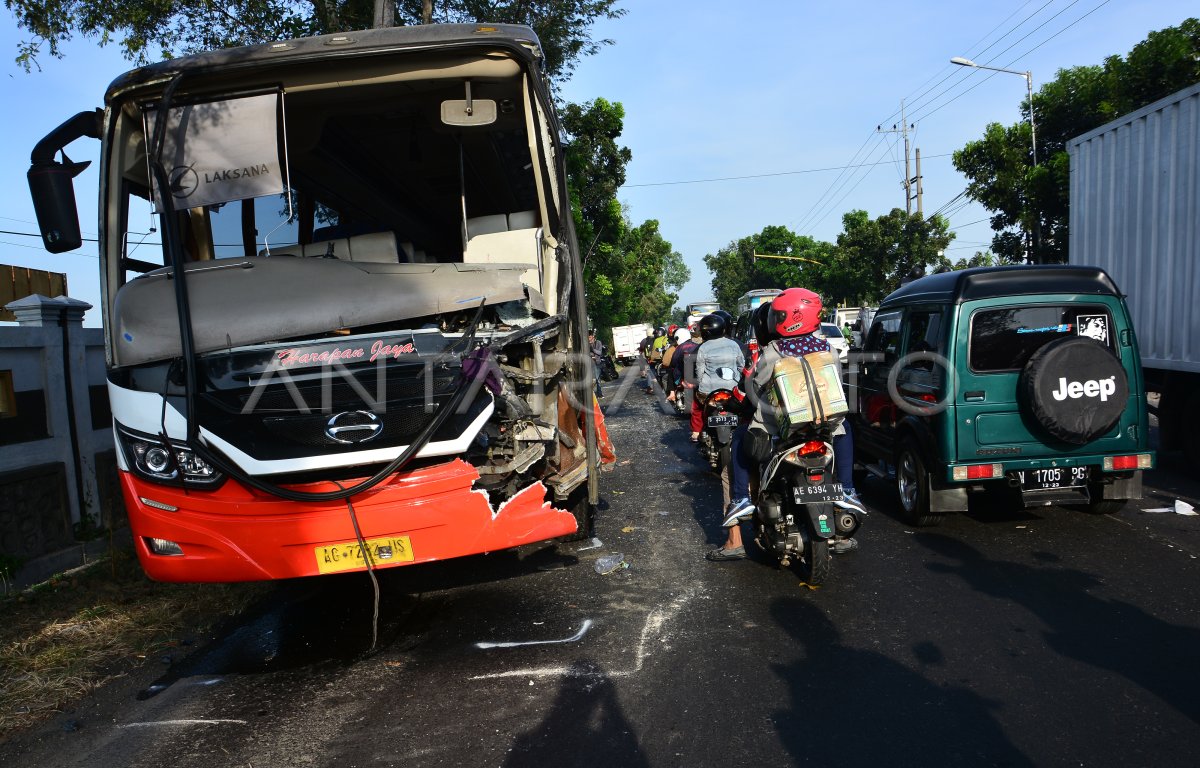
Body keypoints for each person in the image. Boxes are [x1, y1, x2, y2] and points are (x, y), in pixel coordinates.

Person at [708, 288, 864, 562]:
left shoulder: (772, 352)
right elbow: (835, 383)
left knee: (740, 443)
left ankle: (741, 502)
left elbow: (753, 389)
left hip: (779, 430)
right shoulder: (828, 348)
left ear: (790, 318)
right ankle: (848, 490)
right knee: (845, 428)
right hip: (824, 427)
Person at [690, 312, 744, 442]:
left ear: (705, 333)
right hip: (732, 389)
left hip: (708, 390)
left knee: (696, 406)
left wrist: (699, 383)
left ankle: (696, 432)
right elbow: (741, 366)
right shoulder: (734, 344)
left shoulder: (703, 347)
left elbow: (700, 371)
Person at [588, 329, 606, 398]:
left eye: (589, 337)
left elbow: (599, 352)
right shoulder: (586, 344)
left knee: (598, 380)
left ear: (593, 336)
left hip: (597, 363)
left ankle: (599, 394)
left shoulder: (598, 343)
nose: (588, 339)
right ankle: (591, 395)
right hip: (590, 363)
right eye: (588, 337)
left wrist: (593, 350)